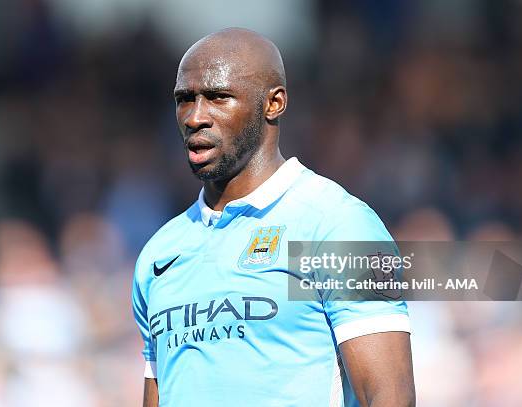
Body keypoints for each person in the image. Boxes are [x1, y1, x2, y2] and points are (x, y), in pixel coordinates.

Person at [132, 28, 415, 407]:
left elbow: (389, 396)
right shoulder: (160, 253)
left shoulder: (335, 224)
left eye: (218, 97)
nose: (196, 116)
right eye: (185, 99)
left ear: (274, 103)